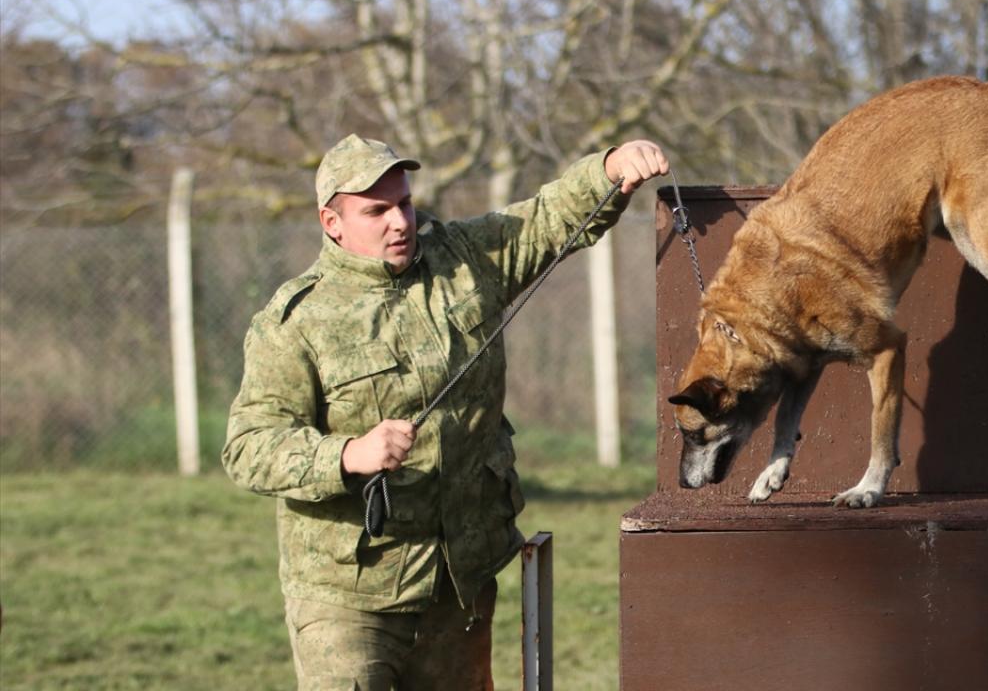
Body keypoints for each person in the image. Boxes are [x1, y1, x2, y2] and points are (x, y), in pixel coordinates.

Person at [222, 134, 668, 690]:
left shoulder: (462, 261)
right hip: (349, 599)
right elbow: (249, 446)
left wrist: (608, 169)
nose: (400, 222)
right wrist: (348, 454)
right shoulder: (296, 322)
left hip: (458, 583)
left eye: (404, 203)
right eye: (376, 211)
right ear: (331, 223)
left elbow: (543, 222)